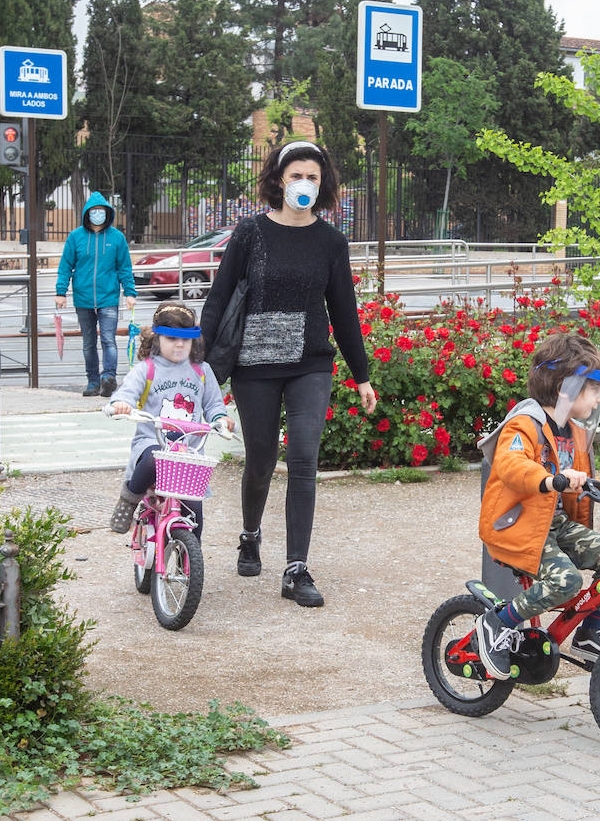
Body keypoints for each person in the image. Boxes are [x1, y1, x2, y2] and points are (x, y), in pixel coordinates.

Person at [200, 140, 377, 608]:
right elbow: (218, 299)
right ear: (279, 179)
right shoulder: (250, 233)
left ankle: (296, 569)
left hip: (310, 365)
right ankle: (250, 535)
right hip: (253, 367)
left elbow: (344, 311)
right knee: (259, 460)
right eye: (297, 175)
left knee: (303, 460)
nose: (305, 184)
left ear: (323, 185)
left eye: (313, 178)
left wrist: (361, 375)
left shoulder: (330, 242)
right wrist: (198, 365)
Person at [474, 332, 600, 680]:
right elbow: (512, 465)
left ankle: (588, 634)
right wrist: (549, 480)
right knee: (567, 581)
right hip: (519, 526)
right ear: (566, 387)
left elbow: (580, 480)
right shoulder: (525, 424)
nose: (597, 399)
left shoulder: (574, 432)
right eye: (593, 389)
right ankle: (495, 624)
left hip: (553, 525)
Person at [105, 302, 234, 535]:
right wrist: (120, 404)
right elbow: (127, 393)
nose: (180, 344)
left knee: (194, 512)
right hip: (153, 443)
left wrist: (221, 418)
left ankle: (191, 563)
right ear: (157, 339)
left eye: (186, 339)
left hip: (189, 452)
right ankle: (129, 499)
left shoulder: (201, 371)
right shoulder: (147, 369)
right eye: (172, 338)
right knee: (155, 458)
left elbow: (214, 404)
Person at [55, 192, 138, 397]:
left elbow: (124, 268)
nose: (97, 215)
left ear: (108, 213)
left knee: (108, 339)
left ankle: (108, 378)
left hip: (108, 298)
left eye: (101, 211)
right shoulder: (75, 237)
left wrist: (130, 292)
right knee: (88, 342)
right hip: (83, 299)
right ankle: (93, 382)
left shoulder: (117, 238)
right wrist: (61, 292)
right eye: (94, 211)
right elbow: (66, 266)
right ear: (87, 213)